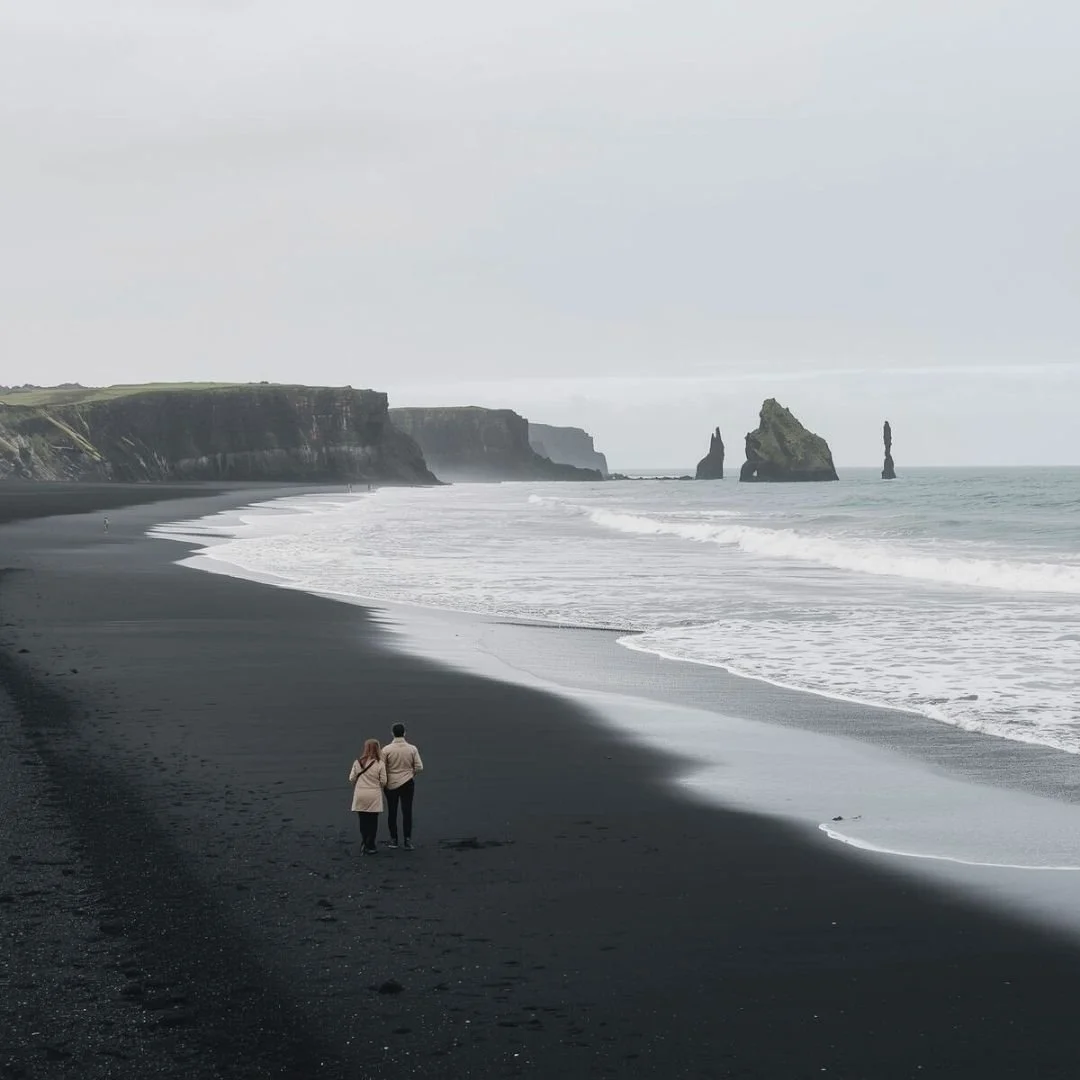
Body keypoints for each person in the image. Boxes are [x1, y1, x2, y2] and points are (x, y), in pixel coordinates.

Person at [382, 723, 423, 850]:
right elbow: (419, 767)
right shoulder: (412, 749)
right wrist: (411, 774)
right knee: (407, 811)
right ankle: (407, 840)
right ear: (405, 733)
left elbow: (382, 767)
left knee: (392, 812)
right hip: (407, 783)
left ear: (392, 733)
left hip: (391, 784)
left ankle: (394, 840)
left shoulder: (386, 749)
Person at [349, 739, 386, 855]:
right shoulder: (380, 763)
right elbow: (384, 781)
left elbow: (351, 778)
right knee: (373, 821)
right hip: (373, 794)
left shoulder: (357, 762)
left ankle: (364, 841)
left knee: (363, 820)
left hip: (360, 794)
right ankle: (371, 844)